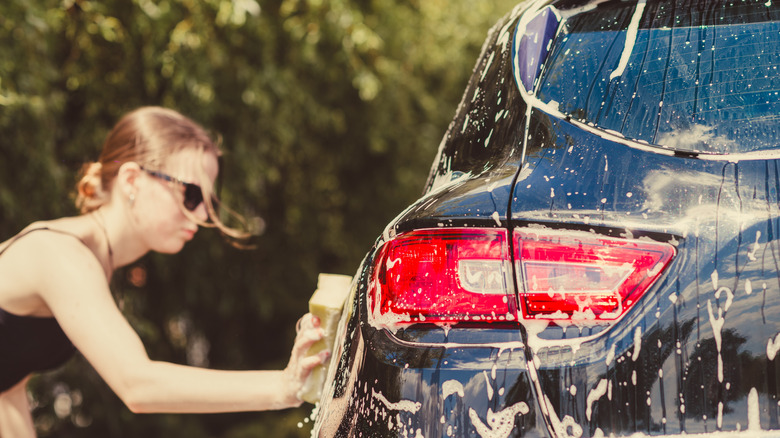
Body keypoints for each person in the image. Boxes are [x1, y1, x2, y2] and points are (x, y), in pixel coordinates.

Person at [0, 106, 328, 437]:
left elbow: (7, 383)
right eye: (191, 193)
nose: (203, 215)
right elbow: (138, 384)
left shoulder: (91, 260)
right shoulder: (61, 255)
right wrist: (284, 386)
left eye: (209, 201)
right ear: (132, 180)